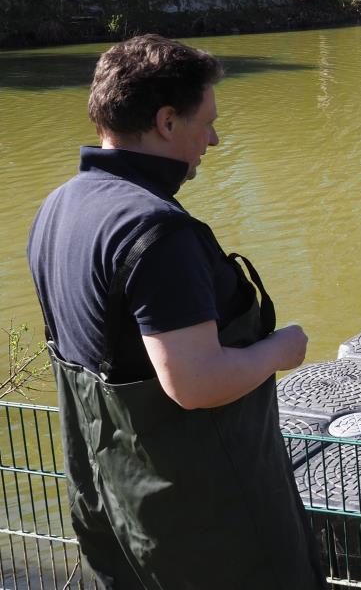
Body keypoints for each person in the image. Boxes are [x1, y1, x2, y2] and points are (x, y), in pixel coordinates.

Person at [27, 34, 325, 590]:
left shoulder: (58, 207)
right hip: (209, 532)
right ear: (167, 122)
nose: (213, 138)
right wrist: (279, 350)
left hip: (118, 514)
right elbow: (194, 382)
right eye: (206, 121)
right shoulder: (156, 232)